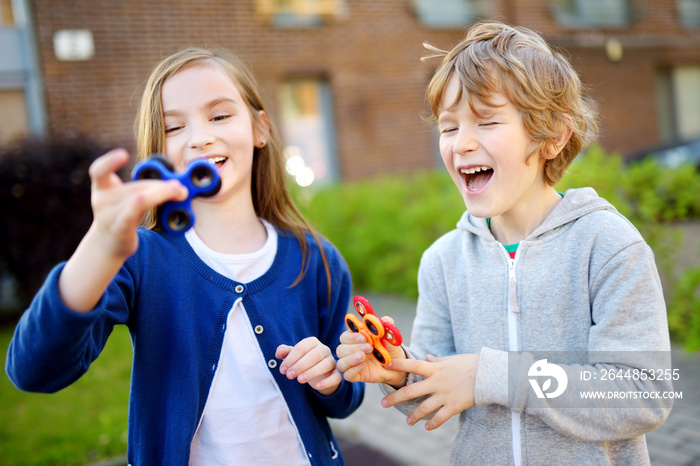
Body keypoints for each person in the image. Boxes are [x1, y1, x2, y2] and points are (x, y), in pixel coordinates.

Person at [6, 47, 363, 465]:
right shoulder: (141, 259)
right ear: (158, 153)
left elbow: (348, 397)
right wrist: (99, 246)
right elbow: (34, 369)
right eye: (174, 126)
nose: (199, 137)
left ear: (260, 128)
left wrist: (331, 377)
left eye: (219, 116)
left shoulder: (317, 259)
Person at [337, 21, 672, 465]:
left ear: (552, 136)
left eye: (487, 121)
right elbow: (431, 398)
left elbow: (643, 393)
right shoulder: (443, 261)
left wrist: (492, 376)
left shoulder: (607, 246)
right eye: (448, 127)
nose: (462, 144)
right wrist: (398, 371)